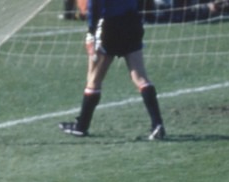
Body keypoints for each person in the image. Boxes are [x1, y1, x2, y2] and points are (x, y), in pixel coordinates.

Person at [59, 0, 166, 140]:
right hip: (132, 21)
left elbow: (94, 4)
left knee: (94, 79)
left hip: (110, 25)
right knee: (140, 77)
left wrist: (91, 32)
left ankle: (81, 126)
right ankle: (157, 124)